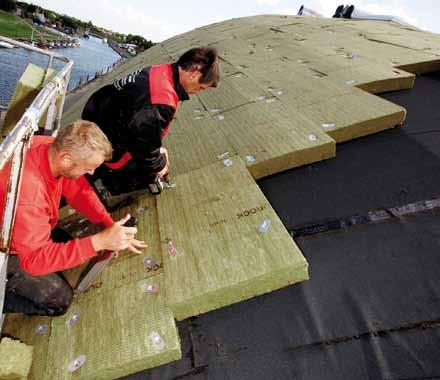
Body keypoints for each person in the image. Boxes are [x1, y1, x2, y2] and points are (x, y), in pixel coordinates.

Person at [0, 120, 147, 316]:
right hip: (6, 246)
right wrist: (99, 241)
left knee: (70, 249)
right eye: (88, 168)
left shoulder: (48, 146)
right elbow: (33, 261)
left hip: (15, 219)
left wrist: (108, 224)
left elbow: (79, 190)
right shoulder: (29, 195)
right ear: (67, 159)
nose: (92, 173)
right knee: (59, 299)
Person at [82, 47, 220, 196]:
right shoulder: (161, 100)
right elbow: (144, 147)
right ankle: (108, 186)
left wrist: (158, 149)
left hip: (97, 116)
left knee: (157, 153)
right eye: (201, 87)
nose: (196, 92)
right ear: (194, 74)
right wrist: (159, 165)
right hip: (106, 139)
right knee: (151, 169)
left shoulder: (160, 70)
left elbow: (143, 124)